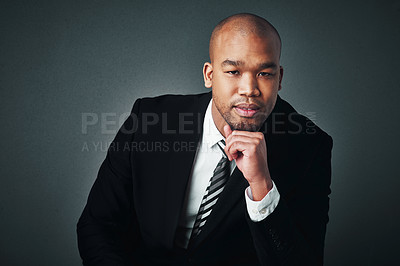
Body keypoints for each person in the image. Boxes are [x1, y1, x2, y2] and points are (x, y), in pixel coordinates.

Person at [77, 13, 333, 265]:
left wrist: (262, 186)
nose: (249, 89)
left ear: (280, 79)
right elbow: (97, 226)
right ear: (209, 75)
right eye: (233, 71)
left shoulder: (308, 147)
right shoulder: (149, 119)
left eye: (265, 74)